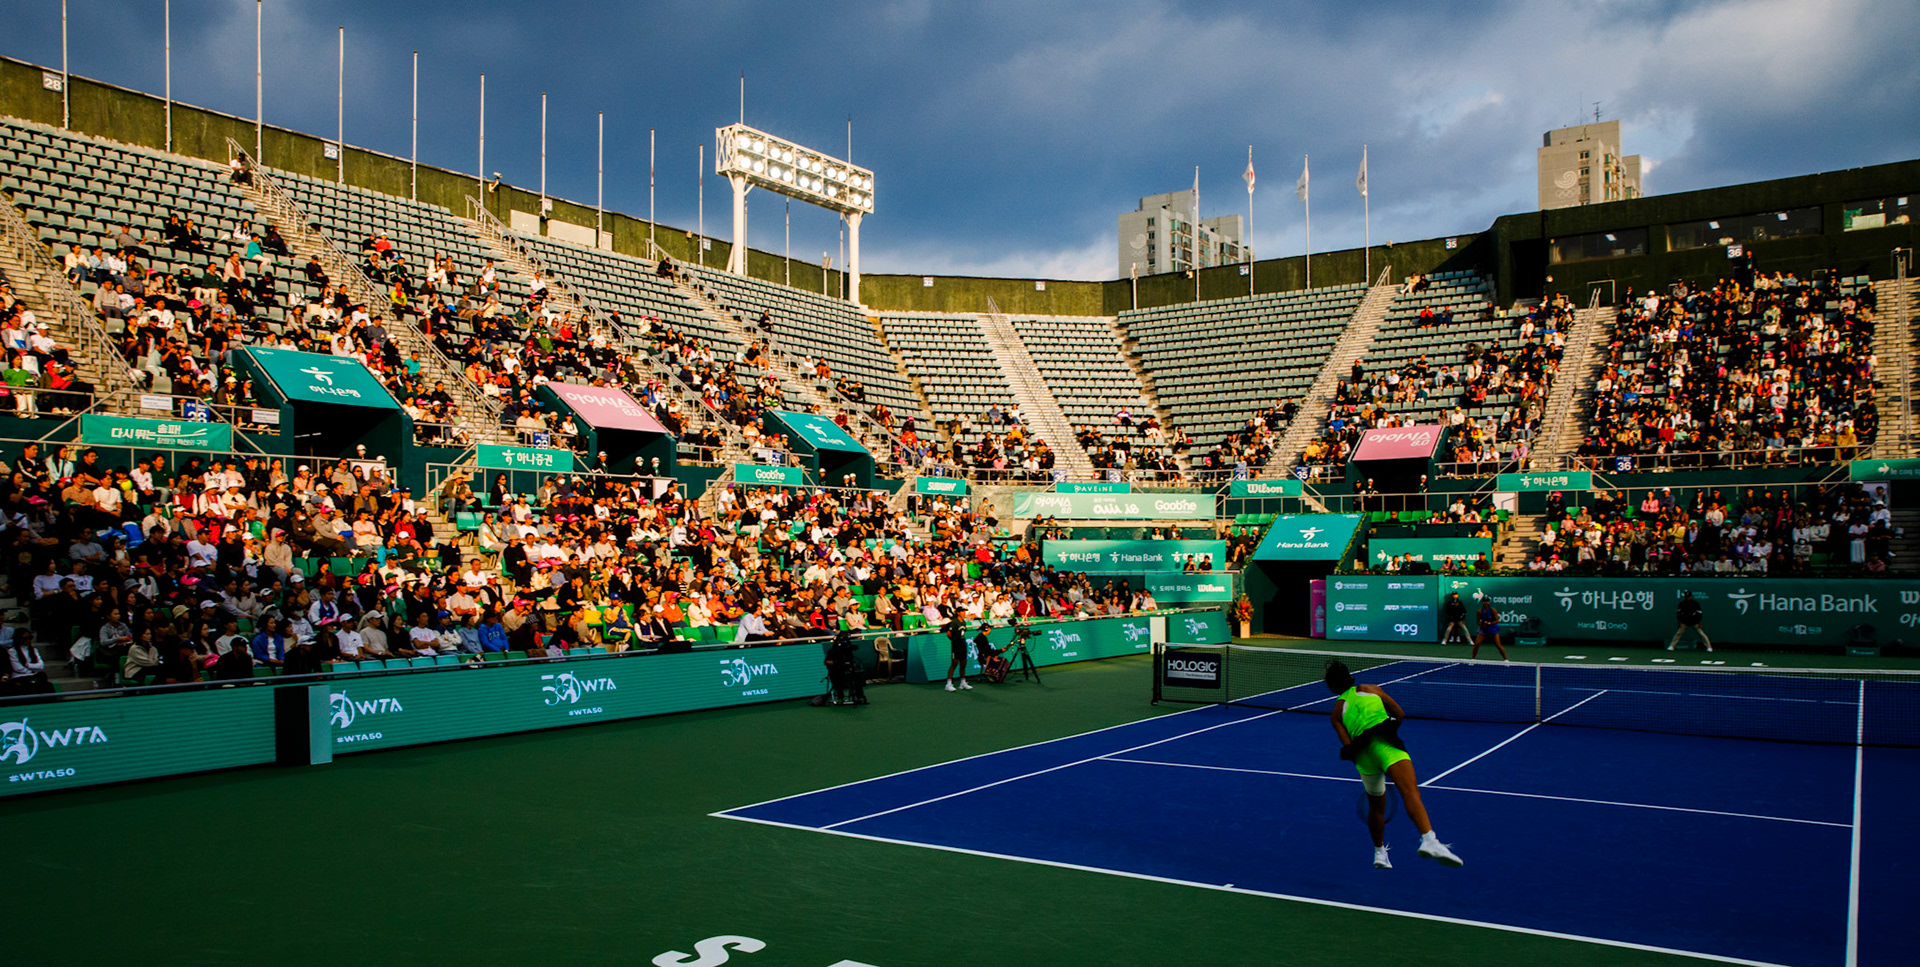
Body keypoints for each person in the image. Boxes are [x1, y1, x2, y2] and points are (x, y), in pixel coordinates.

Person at [1324, 660, 1463, 870]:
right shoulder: (1371, 689)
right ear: (1351, 679)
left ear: (1332, 688)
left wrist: (1372, 758)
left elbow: (1348, 747)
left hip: (1363, 757)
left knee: (1376, 806)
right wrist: (1388, 739)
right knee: (1410, 791)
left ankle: (1379, 853)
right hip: (1386, 744)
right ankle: (1429, 840)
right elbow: (1400, 713)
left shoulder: (1336, 713)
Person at [824, 629, 867, 706]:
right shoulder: (833, 650)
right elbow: (827, 661)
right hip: (836, 670)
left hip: (848, 670)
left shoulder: (847, 651)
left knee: (858, 677)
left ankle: (860, 697)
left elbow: (851, 660)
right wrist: (836, 663)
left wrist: (851, 664)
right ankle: (840, 698)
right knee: (836, 678)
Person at [942, 613, 972, 691]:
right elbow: (948, 633)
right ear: (958, 613)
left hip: (963, 645)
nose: (964, 613)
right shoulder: (954, 622)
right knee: (954, 663)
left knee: (963, 663)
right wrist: (954, 641)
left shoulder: (963, 622)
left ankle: (963, 682)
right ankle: (948, 684)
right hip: (956, 646)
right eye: (962, 611)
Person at [1472, 594, 1507, 660]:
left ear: (1489, 602)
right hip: (1483, 629)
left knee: (1498, 645)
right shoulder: (1479, 611)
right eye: (1485, 601)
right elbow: (1478, 622)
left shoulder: (1493, 610)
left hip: (1493, 629)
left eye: (1487, 601)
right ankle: (1473, 659)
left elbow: (1497, 620)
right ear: (1482, 602)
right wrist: (1482, 624)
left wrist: (1490, 623)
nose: (1486, 603)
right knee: (1477, 644)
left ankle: (1505, 659)